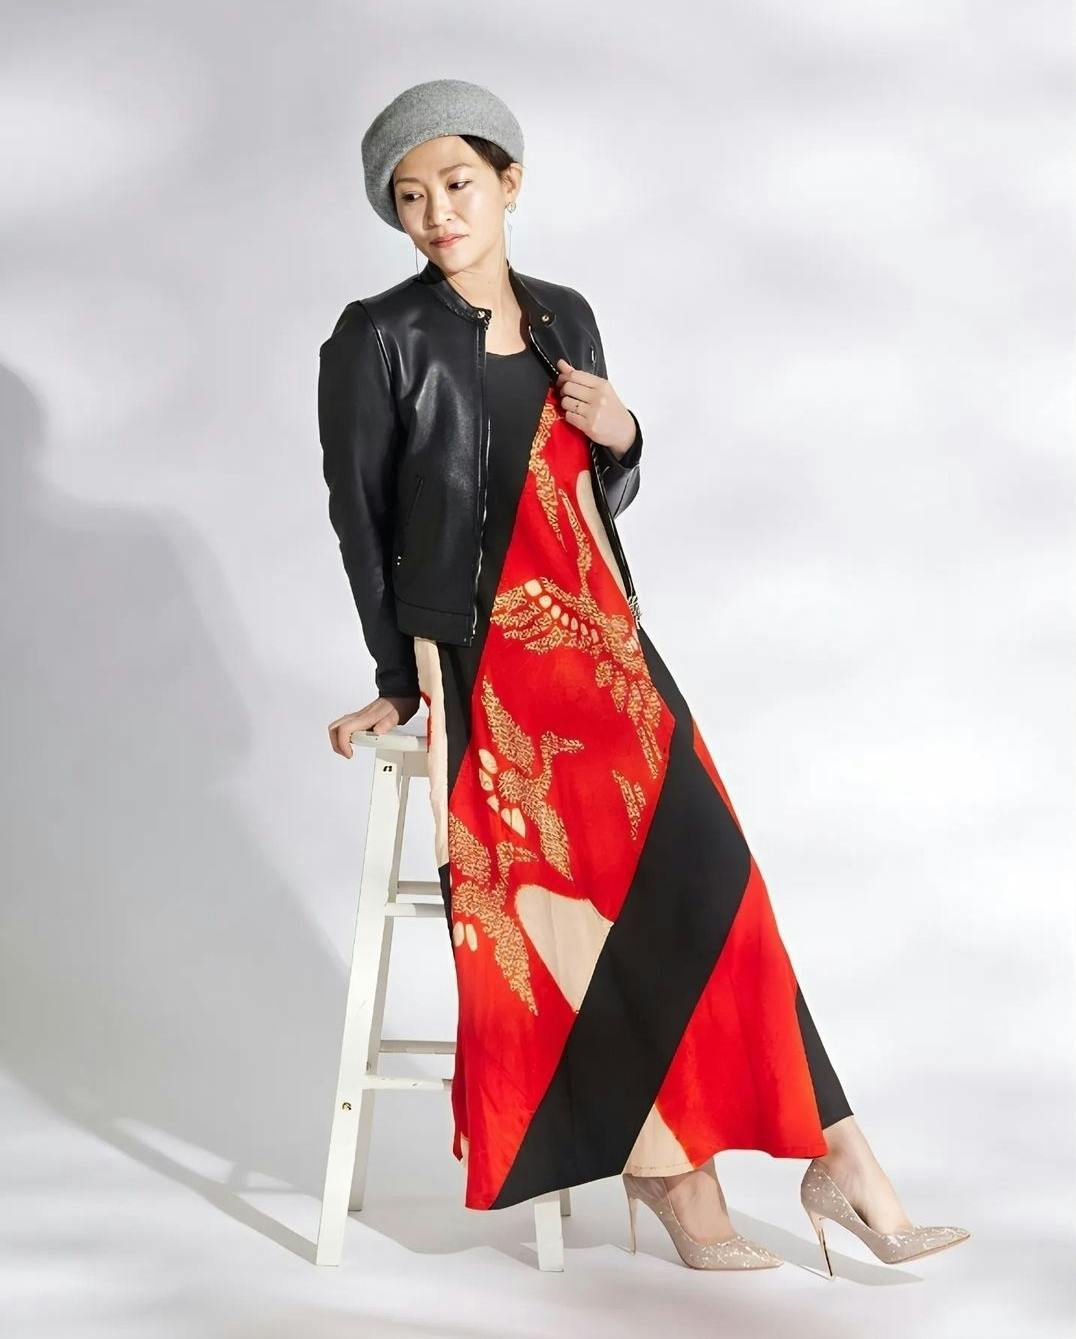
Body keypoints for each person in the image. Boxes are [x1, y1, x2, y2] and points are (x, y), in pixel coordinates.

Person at [318, 78, 970, 1273]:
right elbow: (360, 524)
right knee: (586, 905)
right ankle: (676, 1172)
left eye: (457, 184)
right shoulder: (377, 338)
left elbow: (590, 495)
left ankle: (831, 1153)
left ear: (509, 183)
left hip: (606, 648)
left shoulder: (565, 316)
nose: (437, 214)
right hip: (487, 663)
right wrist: (397, 679)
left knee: (717, 881)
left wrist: (622, 433)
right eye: (409, 198)